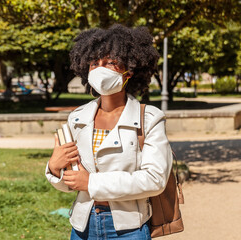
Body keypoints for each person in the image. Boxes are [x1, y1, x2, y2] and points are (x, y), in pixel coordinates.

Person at [45, 24, 173, 240]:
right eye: (94, 63)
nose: (100, 69)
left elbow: (155, 179)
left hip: (128, 229)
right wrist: (54, 168)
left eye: (110, 63)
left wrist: (92, 183)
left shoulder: (150, 118)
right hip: (82, 226)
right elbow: (72, 179)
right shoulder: (77, 118)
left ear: (129, 70)